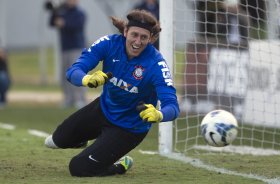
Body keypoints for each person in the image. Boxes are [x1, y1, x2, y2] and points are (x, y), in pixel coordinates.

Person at [44, 9, 179, 177]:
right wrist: (86, 79)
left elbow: (172, 106)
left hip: (129, 128)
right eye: (134, 35)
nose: (138, 41)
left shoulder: (156, 65)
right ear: (125, 32)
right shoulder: (108, 43)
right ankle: (84, 140)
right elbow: (74, 71)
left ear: (151, 39)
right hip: (102, 109)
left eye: (144, 37)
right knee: (54, 141)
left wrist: (159, 114)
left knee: (78, 168)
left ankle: (120, 165)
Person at [48, 0, 87, 108]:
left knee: (77, 73)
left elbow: (76, 25)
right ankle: (68, 98)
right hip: (64, 48)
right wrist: (54, 11)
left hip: (76, 48)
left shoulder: (79, 13)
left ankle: (80, 99)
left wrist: (64, 23)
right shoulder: (62, 12)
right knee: (65, 75)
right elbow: (52, 23)